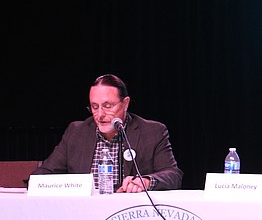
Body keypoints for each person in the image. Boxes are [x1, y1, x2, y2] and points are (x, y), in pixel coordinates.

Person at [32, 74, 183, 192]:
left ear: (125, 104)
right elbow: (43, 174)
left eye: (107, 106)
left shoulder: (152, 132)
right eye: (94, 107)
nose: (100, 114)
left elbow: (173, 175)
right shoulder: (76, 132)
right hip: (83, 213)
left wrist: (147, 181)